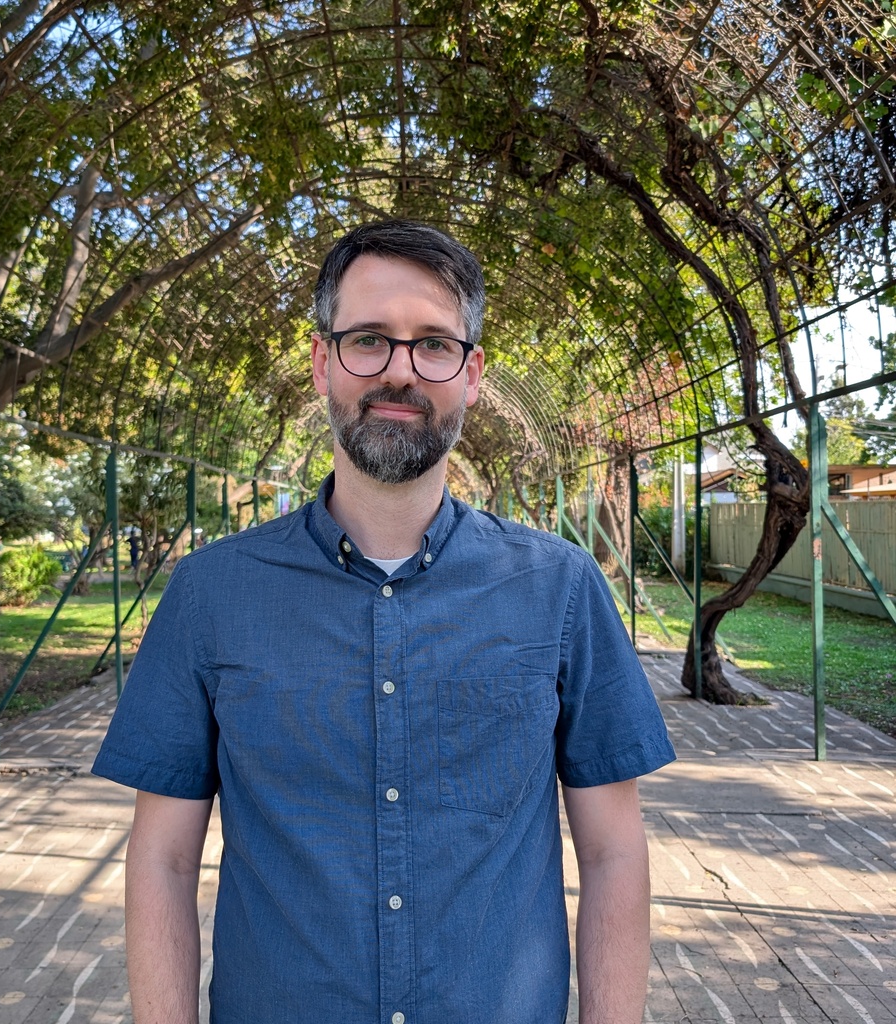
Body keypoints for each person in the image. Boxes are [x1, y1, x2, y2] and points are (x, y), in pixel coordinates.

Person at [92, 220, 675, 1024]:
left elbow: (612, 852)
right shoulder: (210, 595)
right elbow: (160, 858)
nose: (401, 371)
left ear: (471, 374)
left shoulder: (560, 589)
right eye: (370, 339)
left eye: (433, 344)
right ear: (322, 361)